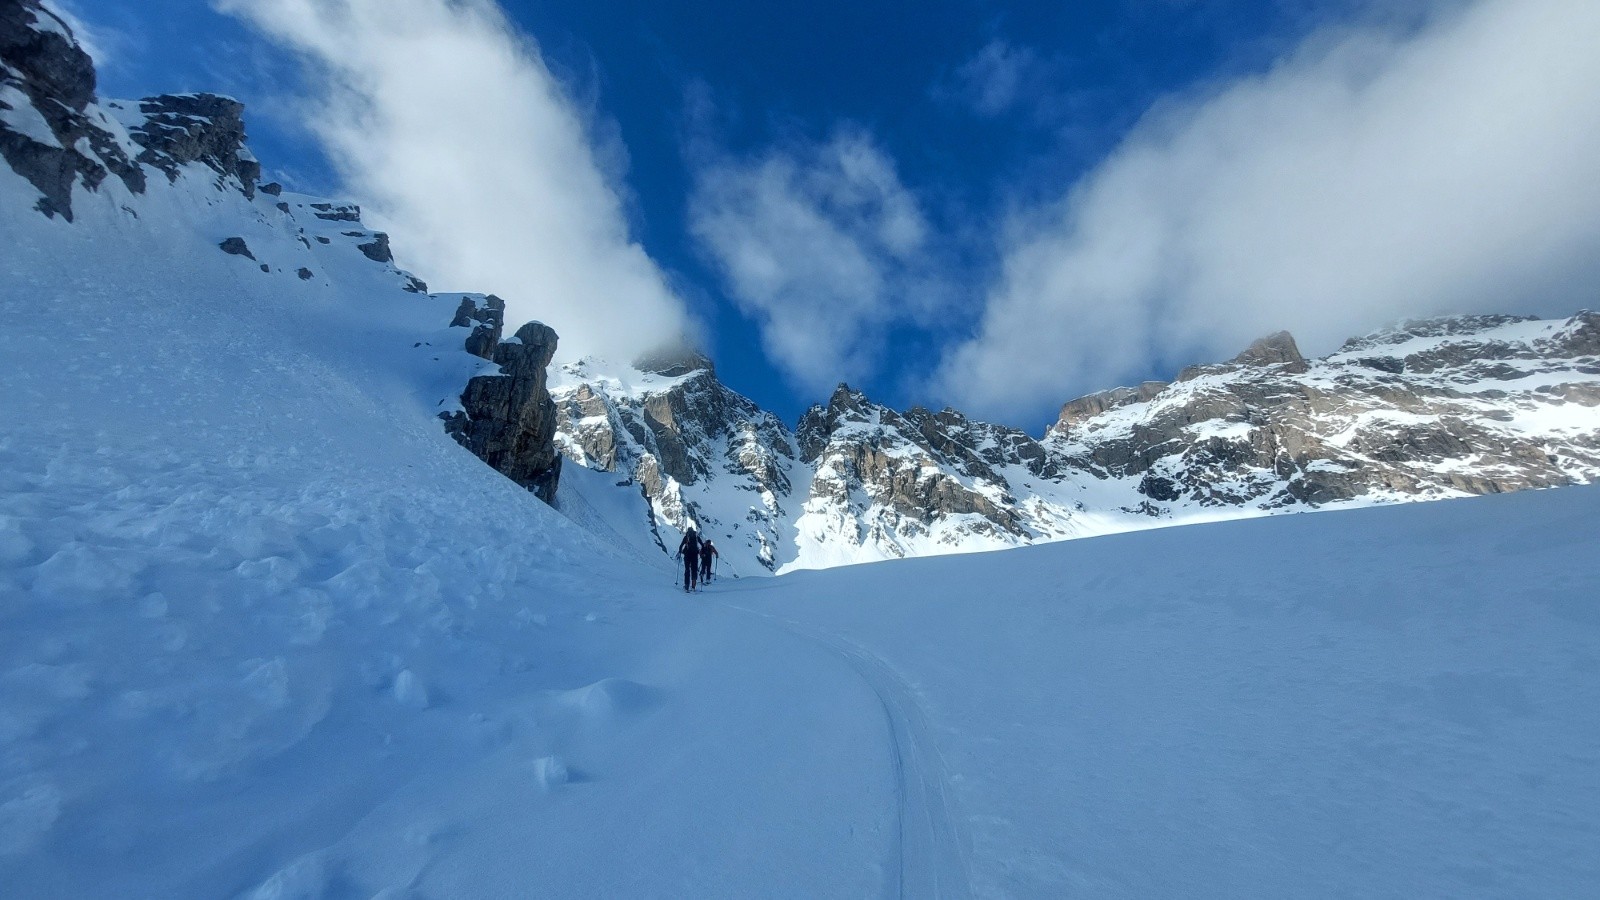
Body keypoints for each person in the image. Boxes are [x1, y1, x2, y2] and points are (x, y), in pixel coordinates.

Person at [677, 527, 702, 592]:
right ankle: (693, 587)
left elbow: (681, 545)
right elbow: (702, 544)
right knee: (694, 570)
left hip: (687, 555)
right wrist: (701, 553)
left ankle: (686, 586)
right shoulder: (696, 537)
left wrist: (680, 551)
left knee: (687, 570)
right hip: (695, 555)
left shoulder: (686, 537)